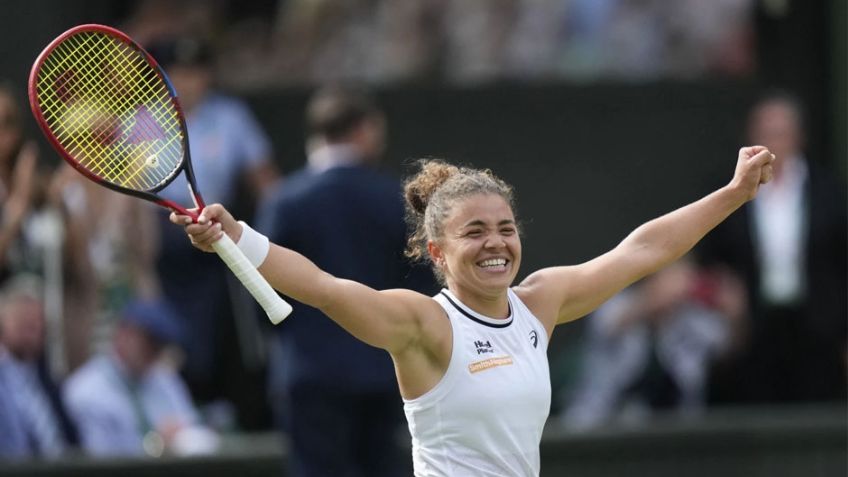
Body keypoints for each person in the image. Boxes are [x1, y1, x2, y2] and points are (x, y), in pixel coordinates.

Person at [172, 143, 774, 475]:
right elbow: (324, 287)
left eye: (506, 229)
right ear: (437, 251)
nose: (496, 244)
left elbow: (641, 251)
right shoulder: (423, 325)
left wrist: (733, 194)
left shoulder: (540, 303)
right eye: (475, 232)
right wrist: (236, 236)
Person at [256, 86, 436, 476]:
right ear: (364, 129)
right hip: (384, 370)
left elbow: (260, 289)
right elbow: (423, 286)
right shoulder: (394, 200)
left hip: (309, 375)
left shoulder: (284, 200)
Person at [146, 35, 280, 427]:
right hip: (161, 240)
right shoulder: (142, 122)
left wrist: (279, 224)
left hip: (216, 232)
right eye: (179, 72)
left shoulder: (230, 116)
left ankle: (230, 409)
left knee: (226, 329)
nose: (189, 81)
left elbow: (265, 181)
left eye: (196, 71)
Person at [699, 90, 848, 404]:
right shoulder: (728, 193)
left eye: (781, 133)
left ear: (799, 137)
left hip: (817, 328)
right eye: (765, 134)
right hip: (750, 329)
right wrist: (725, 289)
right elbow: (709, 256)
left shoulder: (828, 192)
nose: (773, 144)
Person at [563, 257, 745, 430]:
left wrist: (735, 314)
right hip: (600, 425)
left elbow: (729, 347)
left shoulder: (691, 320)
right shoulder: (616, 304)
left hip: (673, 432)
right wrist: (654, 301)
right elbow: (612, 325)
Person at [63, 298, 218, 457]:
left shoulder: (165, 380)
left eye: (160, 344)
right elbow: (99, 459)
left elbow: (192, 428)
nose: (154, 351)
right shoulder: (85, 390)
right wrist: (157, 445)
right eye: (148, 341)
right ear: (123, 333)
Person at [0, 274, 79, 458]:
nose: (32, 331)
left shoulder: (49, 380)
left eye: (36, 323)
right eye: (23, 322)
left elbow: (70, 437)